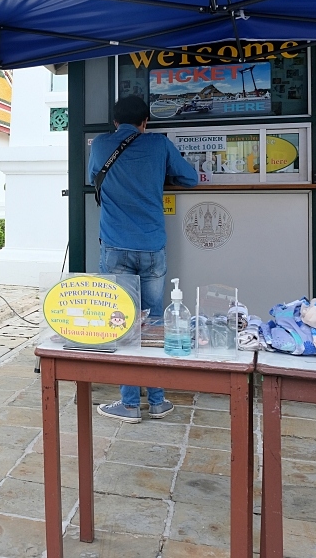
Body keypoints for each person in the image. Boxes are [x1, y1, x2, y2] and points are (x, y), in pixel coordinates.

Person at [87, 95, 199, 423]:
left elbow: (94, 177)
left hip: (115, 247)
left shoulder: (100, 146)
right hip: (152, 247)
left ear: (114, 121)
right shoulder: (158, 145)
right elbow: (190, 178)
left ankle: (130, 404)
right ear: (145, 122)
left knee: (123, 322)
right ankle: (159, 400)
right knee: (154, 324)